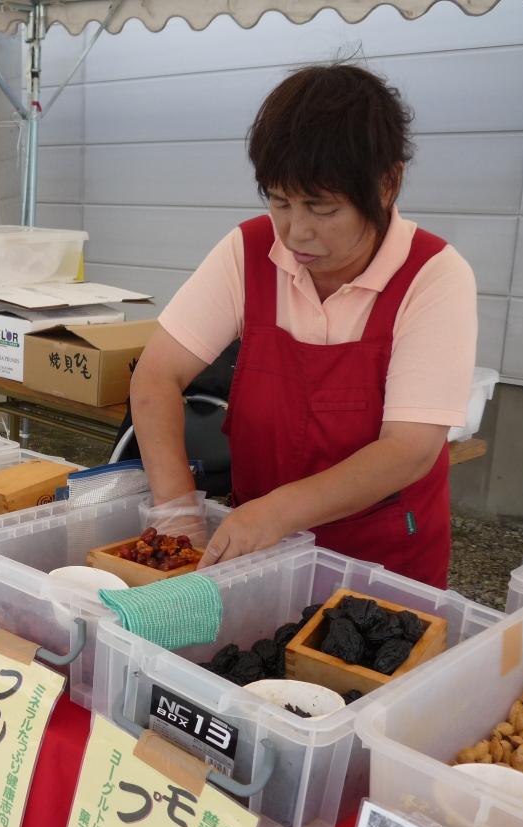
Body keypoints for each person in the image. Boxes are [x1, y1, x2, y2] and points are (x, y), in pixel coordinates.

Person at [129, 64, 477, 589]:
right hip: (258, 556)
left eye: (322, 207)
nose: (296, 232)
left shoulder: (433, 275)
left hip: (383, 569)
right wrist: (177, 513)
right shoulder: (248, 251)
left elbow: (409, 449)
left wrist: (277, 511)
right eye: (280, 201)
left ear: (387, 184)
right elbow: (156, 376)